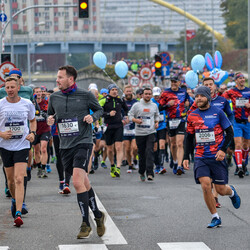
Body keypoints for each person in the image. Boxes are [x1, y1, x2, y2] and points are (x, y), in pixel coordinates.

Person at [47, 65, 105, 239]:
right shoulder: (54, 97)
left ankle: (86, 224)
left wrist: (92, 117)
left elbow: (99, 110)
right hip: (65, 146)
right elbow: (51, 115)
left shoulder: (85, 95)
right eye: (57, 77)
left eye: (60, 77)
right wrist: (50, 119)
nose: (57, 80)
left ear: (70, 79)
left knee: (78, 182)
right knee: (84, 182)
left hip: (83, 142)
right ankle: (98, 215)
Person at [183, 86, 241, 228]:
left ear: (208, 97)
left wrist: (222, 150)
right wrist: (185, 156)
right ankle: (215, 217)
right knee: (205, 185)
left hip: (217, 156)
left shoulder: (218, 113)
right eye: (196, 96)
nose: (199, 99)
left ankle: (231, 192)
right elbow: (189, 138)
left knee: (221, 190)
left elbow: (230, 133)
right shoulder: (192, 116)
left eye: (202, 96)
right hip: (201, 156)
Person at [0, 77, 36, 227]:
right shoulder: (1, 104)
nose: (10, 90)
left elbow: (33, 120)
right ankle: (15, 200)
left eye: (12, 87)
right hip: (5, 146)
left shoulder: (27, 104)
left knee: (19, 178)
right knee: (10, 181)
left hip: (22, 145)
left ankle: (19, 212)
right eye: (7, 87)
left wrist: (33, 133)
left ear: (18, 87)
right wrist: (1, 134)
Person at [159, 75, 191, 175]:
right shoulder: (165, 93)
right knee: (172, 144)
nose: (173, 83)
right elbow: (159, 107)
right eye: (172, 82)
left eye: (175, 82)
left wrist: (187, 104)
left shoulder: (183, 92)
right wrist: (168, 104)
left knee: (180, 143)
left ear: (179, 83)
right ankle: (175, 161)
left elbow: (190, 103)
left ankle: (179, 166)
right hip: (170, 120)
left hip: (181, 120)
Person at [222, 72, 250, 178]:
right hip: (236, 122)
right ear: (236, 80)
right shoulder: (231, 92)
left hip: (247, 122)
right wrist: (221, 90)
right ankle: (240, 167)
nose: (242, 79)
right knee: (238, 144)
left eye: (243, 78)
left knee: (246, 145)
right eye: (240, 78)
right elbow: (222, 99)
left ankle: (243, 162)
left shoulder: (248, 91)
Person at [128, 88, 160, 181]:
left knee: (149, 151)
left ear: (152, 95)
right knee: (141, 154)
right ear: (142, 95)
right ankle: (142, 172)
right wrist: (136, 120)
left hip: (151, 132)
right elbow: (130, 116)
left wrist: (157, 122)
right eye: (146, 94)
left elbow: (157, 115)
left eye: (150, 94)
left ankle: (150, 173)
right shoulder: (137, 105)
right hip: (139, 133)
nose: (148, 95)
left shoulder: (154, 105)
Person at [99, 83, 128, 178]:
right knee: (110, 149)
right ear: (109, 91)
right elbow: (98, 112)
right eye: (113, 90)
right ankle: (112, 165)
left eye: (116, 89)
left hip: (118, 125)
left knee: (119, 147)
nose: (115, 91)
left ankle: (118, 168)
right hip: (108, 126)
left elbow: (126, 110)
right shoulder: (104, 101)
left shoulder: (120, 100)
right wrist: (108, 114)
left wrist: (125, 118)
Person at [33, 87, 51, 178]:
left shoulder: (46, 103)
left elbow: (51, 114)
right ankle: (39, 167)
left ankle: (43, 168)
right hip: (35, 129)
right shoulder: (31, 104)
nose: (39, 93)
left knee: (43, 148)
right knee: (36, 151)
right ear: (34, 93)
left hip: (45, 129)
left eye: (40, 92)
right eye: (37, 92)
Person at [122, 85, 138, 173]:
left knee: (135, 148)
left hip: (134, 128)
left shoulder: (136, 102)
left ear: (132, 92)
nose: (128, 93)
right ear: (124, 92)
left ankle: (135, 158)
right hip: (125, 129)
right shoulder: (121, 102)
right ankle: (130, 165)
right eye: (127, 91)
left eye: (130, 91)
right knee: (127, 149)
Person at [152, 87, 167, 174]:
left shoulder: (164, 100)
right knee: (155, 147)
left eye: (158, 95)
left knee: (162, 145)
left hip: (162, 126)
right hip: (153, 127)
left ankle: (161, 166)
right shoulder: (151, 102)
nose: (157, 97)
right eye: (155, 95)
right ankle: (157, 165)